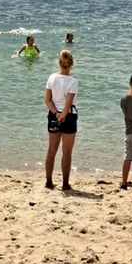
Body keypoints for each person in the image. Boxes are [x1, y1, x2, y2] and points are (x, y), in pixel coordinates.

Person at [44, 49, 78, 191]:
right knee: (67, 153)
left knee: (51, 150)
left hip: (53, 115)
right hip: (68, 116)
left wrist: (56, 114)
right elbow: (68, 103)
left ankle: (49, 182)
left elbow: (47, 100)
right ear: (71, 64)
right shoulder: (73, 81)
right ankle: (65, 183)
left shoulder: (52, 78)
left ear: (59, 63)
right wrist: (63, 115)